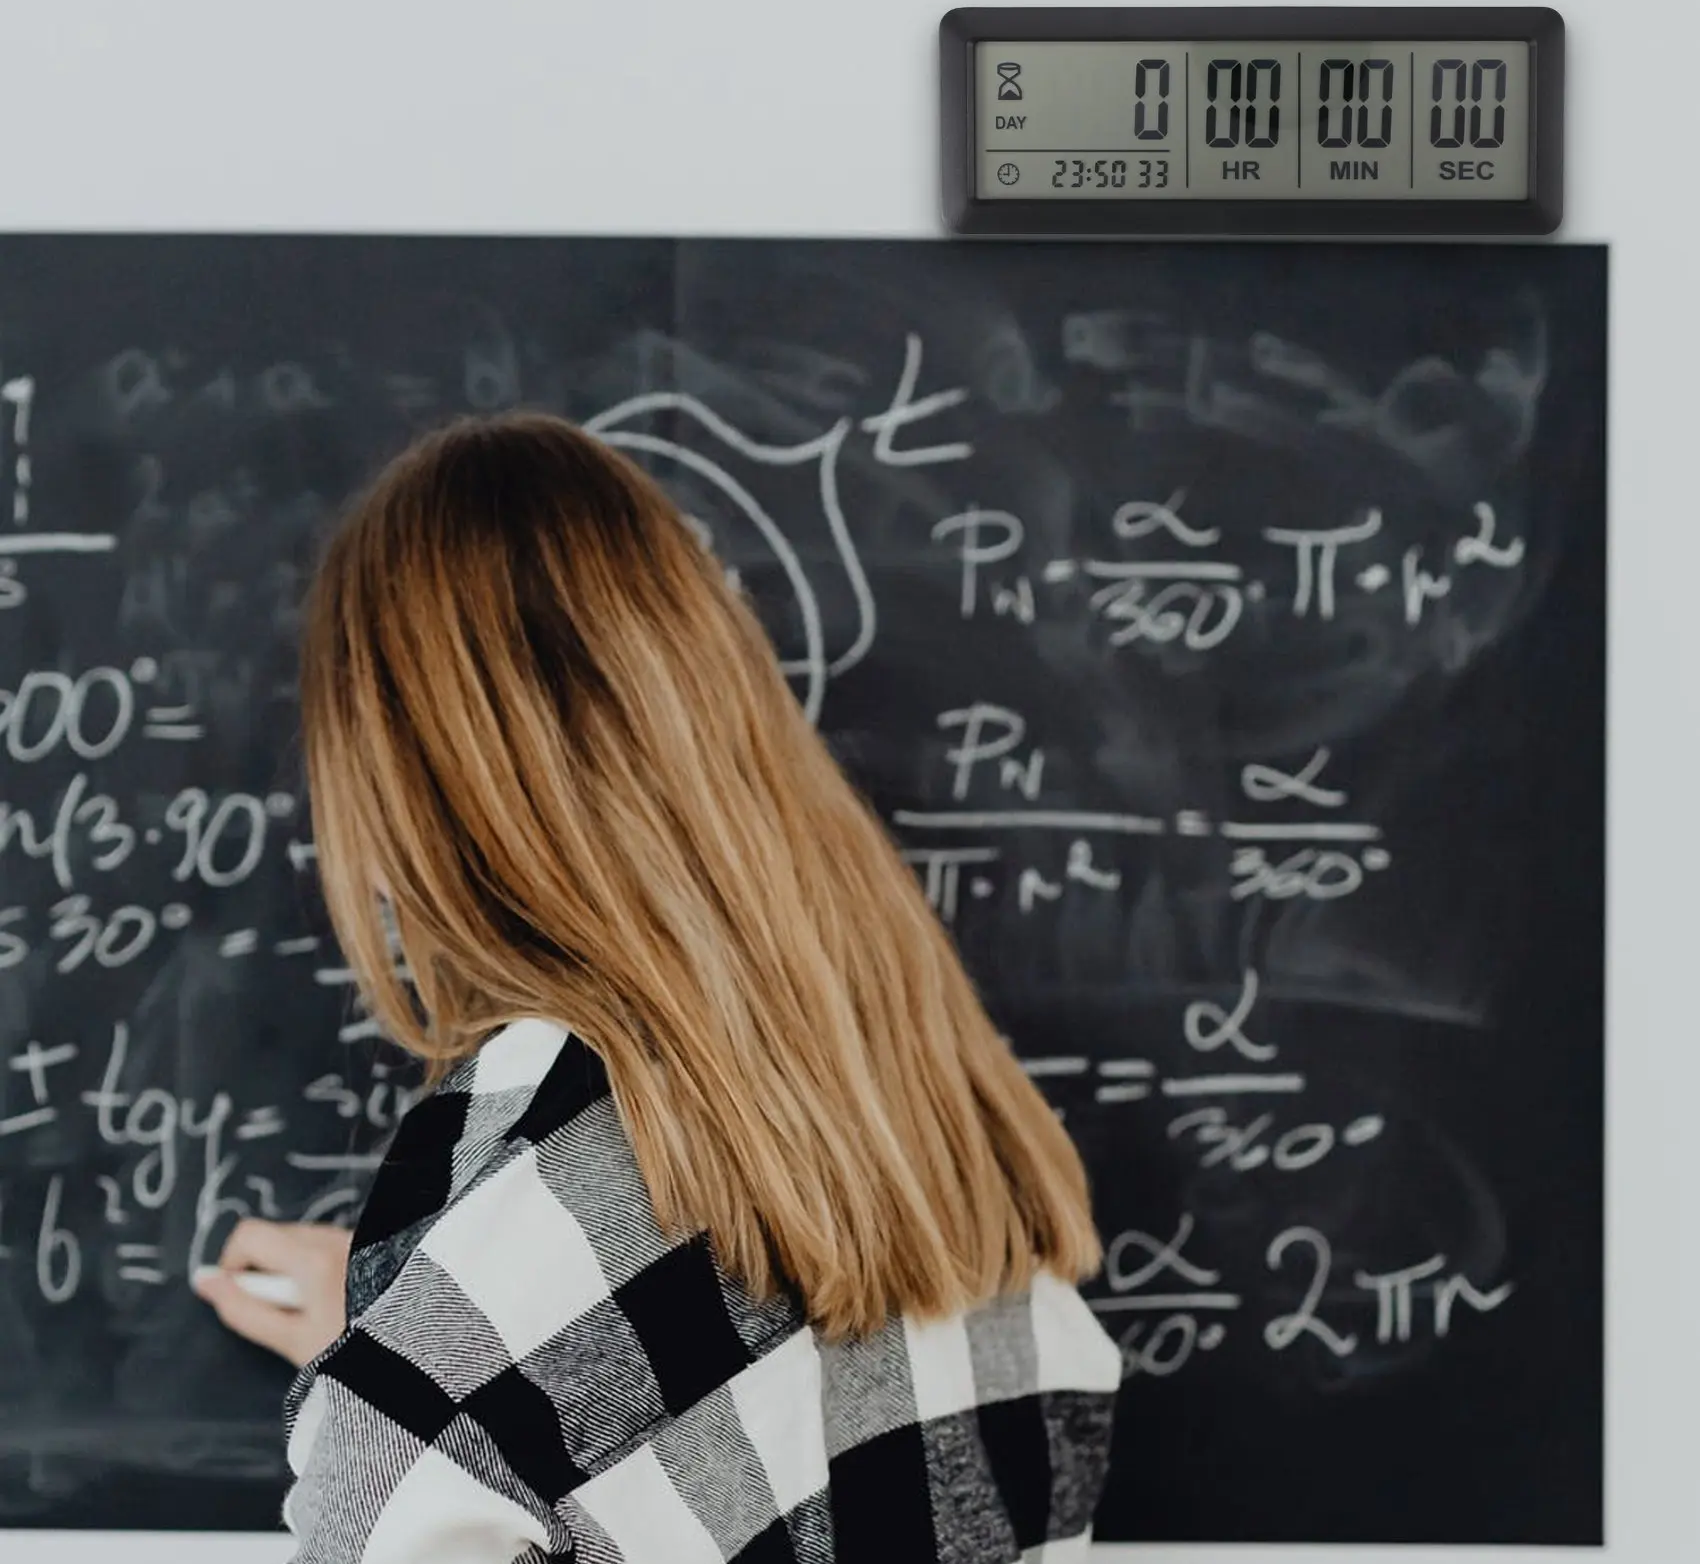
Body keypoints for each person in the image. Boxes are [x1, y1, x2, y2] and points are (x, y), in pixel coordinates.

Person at [193, 412, 1123, 1562]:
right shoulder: (963, 1139)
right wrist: (415, 1324)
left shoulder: (530, 1150)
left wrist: (428, 1337)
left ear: (401, 777)